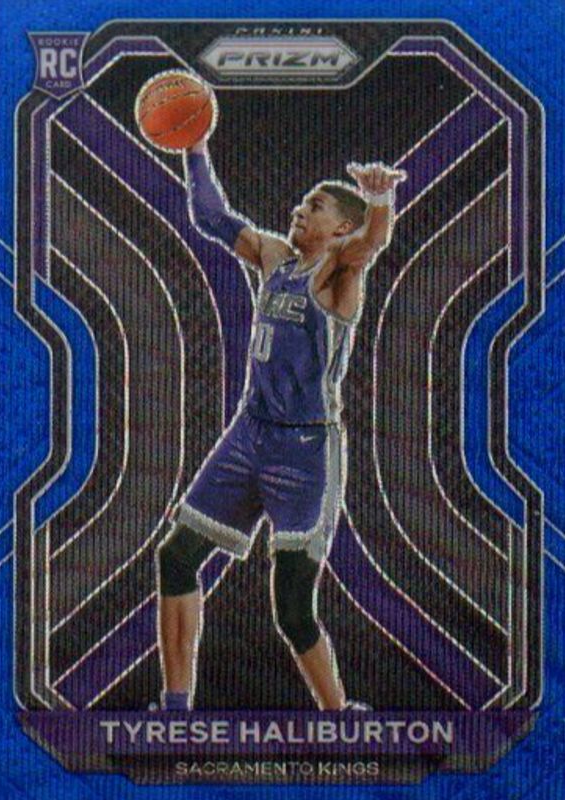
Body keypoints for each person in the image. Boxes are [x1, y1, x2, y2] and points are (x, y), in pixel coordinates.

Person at [157, 136, 406, 711]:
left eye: (316, 206)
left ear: (339, 227)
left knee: (292, 608)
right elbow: (212, 217)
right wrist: (193, 147)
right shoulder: (275, 257)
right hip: (250, 433)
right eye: (302, 202)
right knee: (176, 557)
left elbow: (371, 243)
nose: (300, 209)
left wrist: (378, 202)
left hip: (305, 449)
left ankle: (338, 716)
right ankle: (174, 707)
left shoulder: (338, 271)